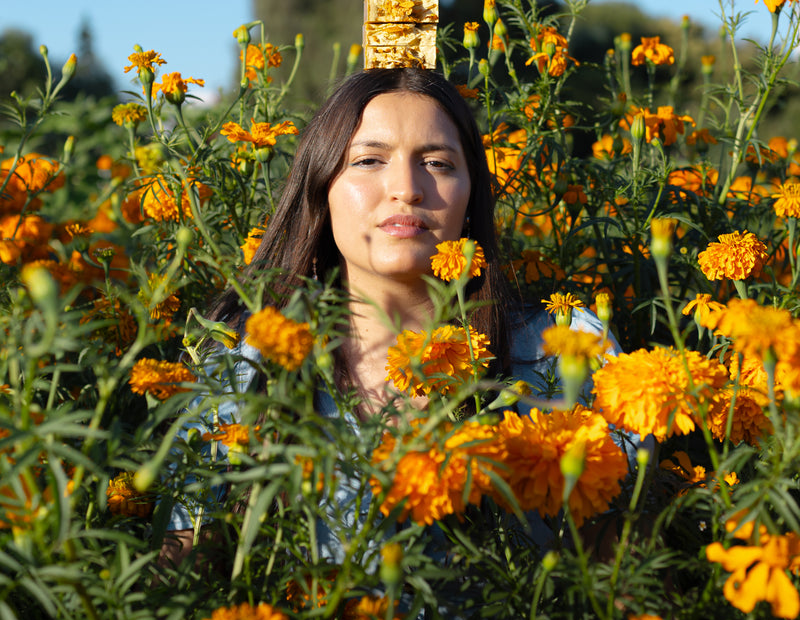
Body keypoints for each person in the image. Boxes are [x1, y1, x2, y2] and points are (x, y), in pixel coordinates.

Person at [162, 66, 620, 563]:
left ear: (471, 199)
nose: (406, 187)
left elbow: (619, 575)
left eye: (438, 163)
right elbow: (181, 570)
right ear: (322, 191)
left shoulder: (565, 349)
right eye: (369, 160)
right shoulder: (244, 362)